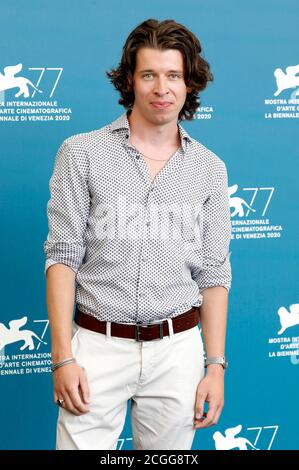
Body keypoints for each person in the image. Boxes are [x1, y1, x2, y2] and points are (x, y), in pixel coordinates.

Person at [44, 18, 232, 450]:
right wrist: (63, 357)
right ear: (130, 80)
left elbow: (214, 274)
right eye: (149, 74)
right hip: (95, 347)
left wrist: (215, 366)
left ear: (189, 83)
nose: (161, 88)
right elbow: (62, 258)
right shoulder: (82, 153)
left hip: (178, 351)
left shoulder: (209, 169)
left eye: (173, 75)